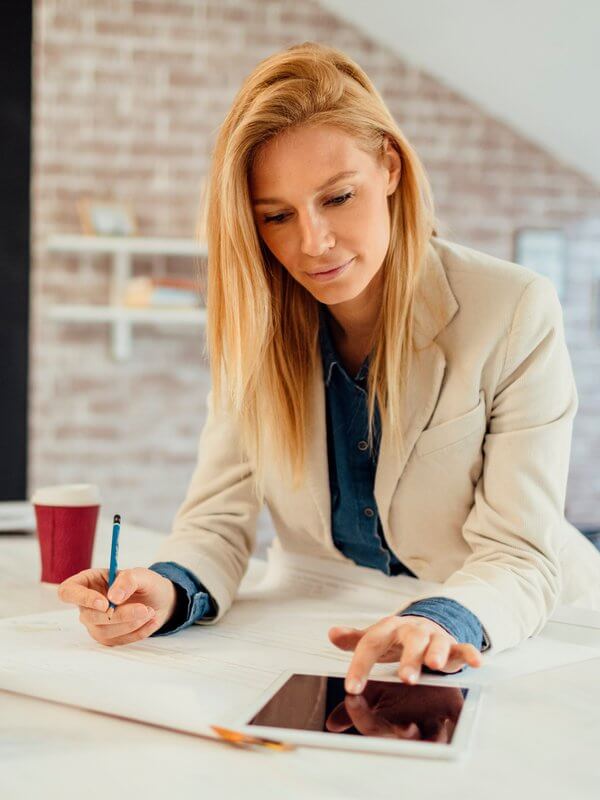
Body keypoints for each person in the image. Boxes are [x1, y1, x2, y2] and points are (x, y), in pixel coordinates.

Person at [57, 42, 600, 695]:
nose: (312, 243)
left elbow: (519, 553)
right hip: (320, 617)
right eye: (277, 216)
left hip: (515, 624)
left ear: (391, 168)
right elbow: (215, 523)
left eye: (338, 197)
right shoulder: (256, 328)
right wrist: (163, 591)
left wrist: (439, 619)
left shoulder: (512, 309)